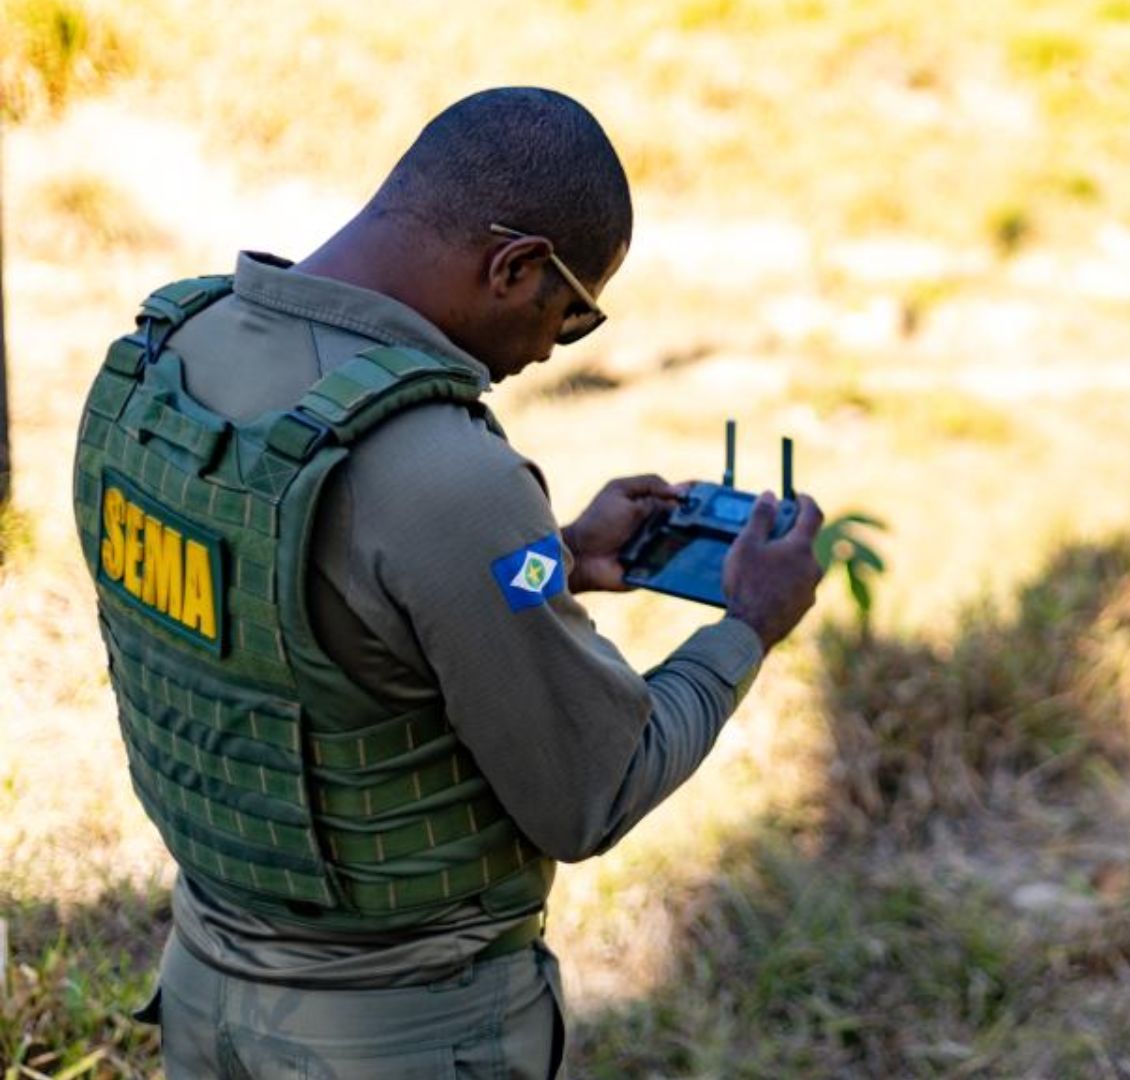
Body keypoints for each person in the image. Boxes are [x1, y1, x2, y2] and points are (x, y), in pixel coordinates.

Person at [69, 87, 825, 1077]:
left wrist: (554, 555)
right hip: (401, 1035)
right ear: (514, 266)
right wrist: (749, 626)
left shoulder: (159, 362)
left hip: (205, 994)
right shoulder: (445, 474)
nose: (553, 347)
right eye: (571, 311)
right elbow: (590, 793)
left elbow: (301, 622)